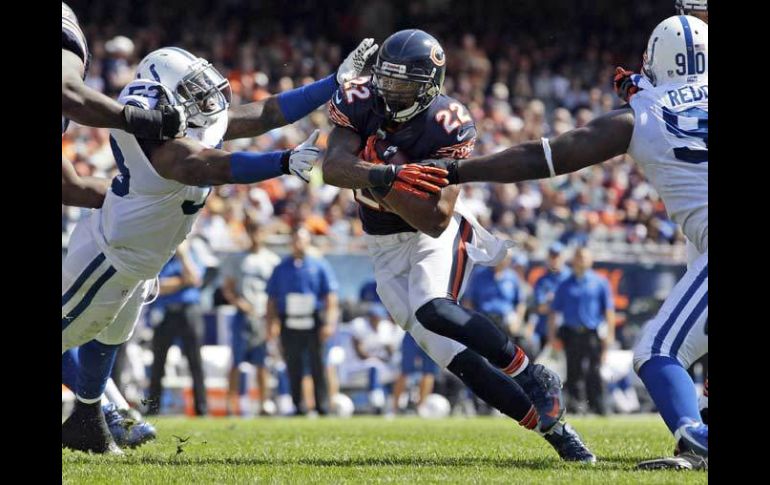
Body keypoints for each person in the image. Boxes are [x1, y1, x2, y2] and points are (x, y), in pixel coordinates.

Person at [424, 15, 708, 468]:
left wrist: (457, 170)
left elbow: (545, 157)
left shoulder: (643, 114)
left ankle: (697, 439)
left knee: (658, 351)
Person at [322, 29, 594, 462]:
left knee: (434, 306)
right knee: (456, 359)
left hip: (433, 234)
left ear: (429, 86)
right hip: (383, 243)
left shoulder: (446, 122)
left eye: (402, 84)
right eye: (385, 80)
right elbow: (333, 169)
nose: (389, 92)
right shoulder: (359, 100)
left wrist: (381, 179)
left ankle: (533, 374)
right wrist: (387, 176)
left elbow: (435, 220)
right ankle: (557, 433)